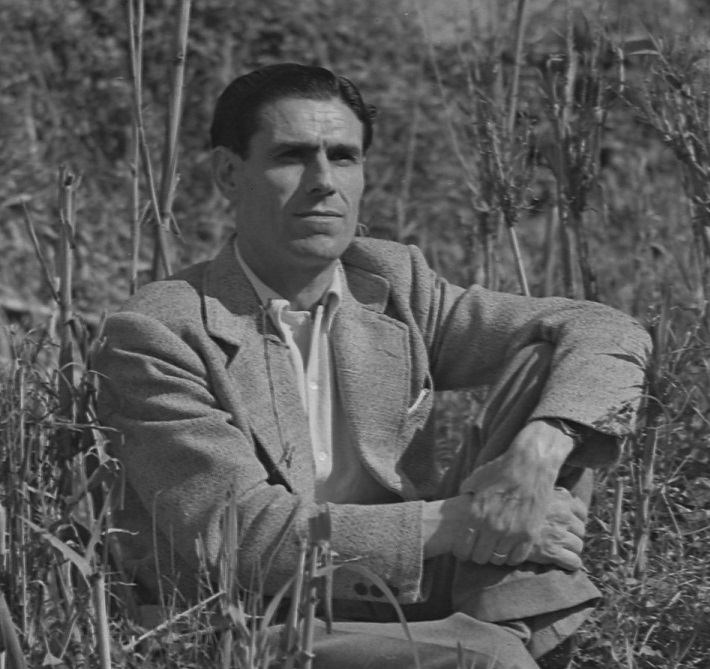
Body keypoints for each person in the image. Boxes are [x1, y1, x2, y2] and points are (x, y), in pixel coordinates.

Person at [95, 63, 651, 668]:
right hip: (250, 618)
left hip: (407, 589)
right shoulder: (160, 330)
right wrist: (464, 521)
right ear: (229, 174)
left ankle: (506, 624)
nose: (323, 182)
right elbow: (245, 538)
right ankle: (508, 647)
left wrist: (537, 455)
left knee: (546, 361)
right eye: (291, 156)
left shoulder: (390, 281)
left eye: (343, 157)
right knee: (485, 661)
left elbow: (606, 330)